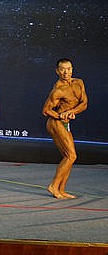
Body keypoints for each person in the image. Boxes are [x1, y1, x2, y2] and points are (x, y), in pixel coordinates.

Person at [42, 58, 88, 199]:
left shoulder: (79, 83)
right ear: (57, 71)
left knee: (69, 157)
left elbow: (84, 103)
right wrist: (61, 115)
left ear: (72, 69)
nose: (66, 72)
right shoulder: (58, 90)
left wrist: (71, 112)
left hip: (65, 122)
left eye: (68, 69)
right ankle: (53, 186)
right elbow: (45, 110)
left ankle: (61, 190)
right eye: (62, 69)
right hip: (55, 123)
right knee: (71, 156)